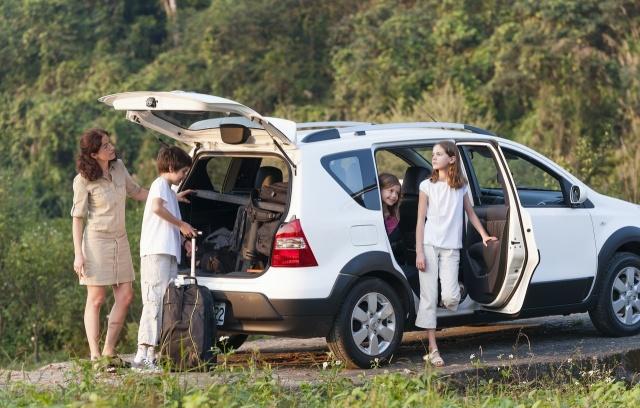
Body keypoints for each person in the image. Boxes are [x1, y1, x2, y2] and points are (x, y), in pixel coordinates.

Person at [71, 128, 148, 370]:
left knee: (126, 296)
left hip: (120, 240)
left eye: (109, 142)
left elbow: (136, 192)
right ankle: (95, 357)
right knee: (96, 299)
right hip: (96, 242)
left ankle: (108, 352)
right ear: (94, 154)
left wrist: (168, 195)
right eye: (105, 146)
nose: (111, 147)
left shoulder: (119, 168)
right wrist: (78, 254)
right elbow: (77, 218)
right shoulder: (83, 180)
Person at [415, 141, 497, 367]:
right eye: (432, 154)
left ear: (451, 159)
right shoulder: (426, 186)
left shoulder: (461, 187)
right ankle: (433, 349)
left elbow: (470, 213)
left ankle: (455, 289)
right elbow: (420, 222)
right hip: (430, 246)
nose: (433, 157)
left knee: (451, 298)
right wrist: (419, 252)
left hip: (451, 248)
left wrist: (483, 235)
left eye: (438, 154)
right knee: (429, 298)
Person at [133, 146, 196, 371]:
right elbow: (157, 208)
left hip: (168, 252)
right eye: (182, 172)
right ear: (171, 168)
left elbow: (168, 221)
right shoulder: (160, 185)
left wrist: (184, 241)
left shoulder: (169, 190)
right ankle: (143, 354)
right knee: (153, 302)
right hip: (156, 253)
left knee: (163, 302)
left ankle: (153, 352)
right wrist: (182, 224)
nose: (183, 176)